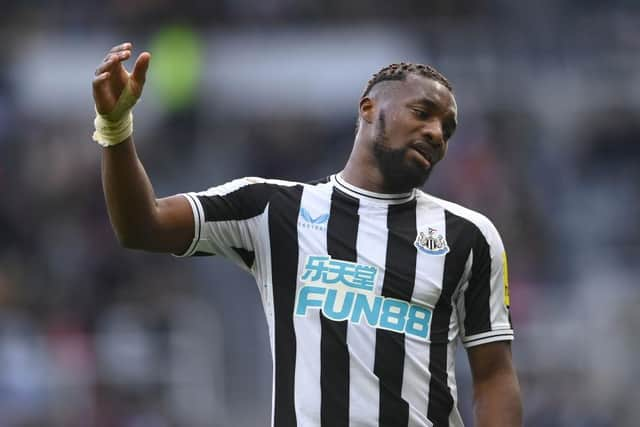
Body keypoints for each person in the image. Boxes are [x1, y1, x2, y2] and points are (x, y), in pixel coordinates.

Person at [92, 42, 522, 427]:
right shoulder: (273, 209)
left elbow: (494, 376)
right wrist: (115, 130)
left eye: (447, 129)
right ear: (369, 108)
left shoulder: (469, 236)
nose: (435, 133)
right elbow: (141, 226)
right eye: (423, 113)